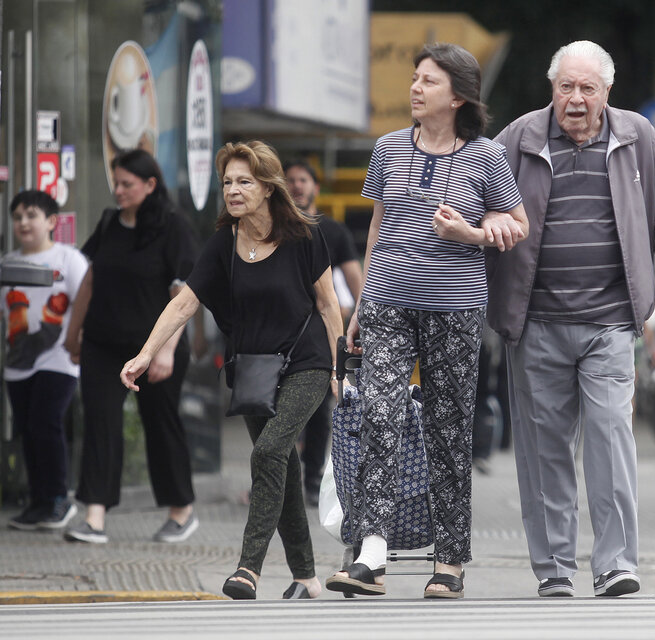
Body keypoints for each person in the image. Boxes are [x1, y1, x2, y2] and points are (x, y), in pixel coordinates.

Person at [484, 40, 655, 598]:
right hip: (535, 322)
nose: (577, 99)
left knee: (611, 438)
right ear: (552, 89)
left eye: (588, 88)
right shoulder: (518, 139)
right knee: (544, 449)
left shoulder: (637, 139)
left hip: (611, 322)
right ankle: (554, 567)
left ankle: (614, 563)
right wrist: (485, 219)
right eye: (567, 87)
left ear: (607, 91)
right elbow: (471, 200)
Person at [325, 42, 527, 599]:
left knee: (448, 429)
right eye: (415, 79)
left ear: (458, 96)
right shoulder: (388, 148)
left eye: (428, 81)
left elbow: (518, 224)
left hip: (457, 310)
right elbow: (376, 227)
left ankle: (450, 561)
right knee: (380, 417)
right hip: (388, 302)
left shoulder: (486, 156)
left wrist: (472, 233)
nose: (415, 88)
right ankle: (371, 553)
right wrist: (361, 304)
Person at [120, 141, 343, 601]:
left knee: (267, 454)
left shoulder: (304, 234)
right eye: (227, 182)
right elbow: (184, 302)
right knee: (282, 465)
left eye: (244, 181)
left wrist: (339, 367)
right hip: (253, 371)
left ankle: (248, 568)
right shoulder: (224, 243)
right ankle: (306, 577)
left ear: (267, 187)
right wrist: (146, 353)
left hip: (307, 363)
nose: (233, 190)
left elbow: (327, 305)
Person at [63, 149, 199, 544]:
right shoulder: (109, 223)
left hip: (153, 346)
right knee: (101, 422)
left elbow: (184, 296)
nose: (118, 190)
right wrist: (73, 335)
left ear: (150, 184)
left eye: (127, 184)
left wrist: (167, 352)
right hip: (103, 343)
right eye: (116, 183)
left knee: (160, 425)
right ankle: (95, 516)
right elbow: (89, 282)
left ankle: (181, 510)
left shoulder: (174, 228)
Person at [2, 191, 88, 531]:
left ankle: (57, 500)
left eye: (31, 215)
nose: (23, 222)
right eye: (18, 216)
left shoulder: (69, 259)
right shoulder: (8, 262)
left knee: (45, 422)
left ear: (51, 221)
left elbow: (87, 300)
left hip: (60, 359)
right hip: (18, 361)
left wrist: (80, 341)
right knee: (27, 429)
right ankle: (38, 503)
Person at [284, 160, 362, 505]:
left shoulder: (334, 232)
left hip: (320, 331)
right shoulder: (277, 227)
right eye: (290, 181)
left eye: (303, 180)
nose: (297, 186)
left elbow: (355, 280)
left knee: (318, 408)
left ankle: (312, 478)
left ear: (315, 187)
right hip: (282, 332)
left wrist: (362, 322)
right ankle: (279, 479)